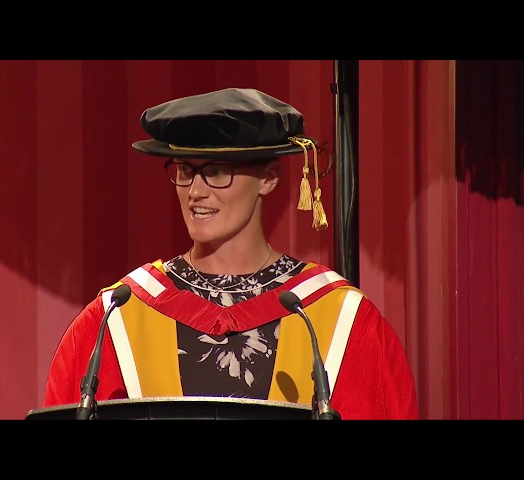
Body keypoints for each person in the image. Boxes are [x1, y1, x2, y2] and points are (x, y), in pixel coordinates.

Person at [41, 87, 420, 420]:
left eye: (217, 171)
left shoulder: (337, 319)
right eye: (185, 170)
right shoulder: (117, 317)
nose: (195, 191)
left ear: (269, 178)